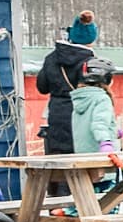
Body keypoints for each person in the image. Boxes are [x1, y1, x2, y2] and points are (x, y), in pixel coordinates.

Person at [34, 17, 99, 156]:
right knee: (84, 169)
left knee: (59, 166)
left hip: (57, 117)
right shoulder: (92, 63)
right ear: (91, 39)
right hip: (82, 119)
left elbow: (42, 87)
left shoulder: (51, 58)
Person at [70, 56, 119, 153]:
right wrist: (106, 142)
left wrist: (113, 131)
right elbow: (99, 124)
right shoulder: (102, 99)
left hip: (82, 153)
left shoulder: (81, 98)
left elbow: (86, 124)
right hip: (100, 154)